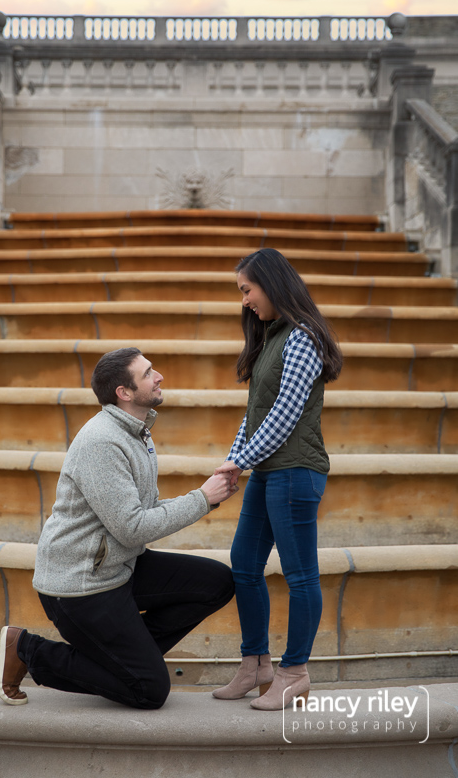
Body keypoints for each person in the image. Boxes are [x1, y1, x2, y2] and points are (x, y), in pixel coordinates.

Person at [0, 347, 236, 710]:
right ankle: (28, 650)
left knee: (216, 583)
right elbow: (133, 528)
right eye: (147, 373)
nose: (159, 376)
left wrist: (207, 497)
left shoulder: (137, 432)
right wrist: (202, 499)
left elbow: (145, 511)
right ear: (124, 392)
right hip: (80, 585)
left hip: (118, 568)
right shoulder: (102, 441)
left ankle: (128, 661)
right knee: (149, 690)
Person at [212, 248, 342, 710]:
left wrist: (240, 462)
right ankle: (256, 665)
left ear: (271, 282)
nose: (245, 300)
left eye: (247, 289)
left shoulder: (303, 337)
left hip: (296, 472)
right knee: (244, 563)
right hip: (270, 470)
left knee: (300, 574)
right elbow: (255, 415)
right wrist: (233, 459)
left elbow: (285, 415)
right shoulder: (272, 337)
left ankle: (294, 672)